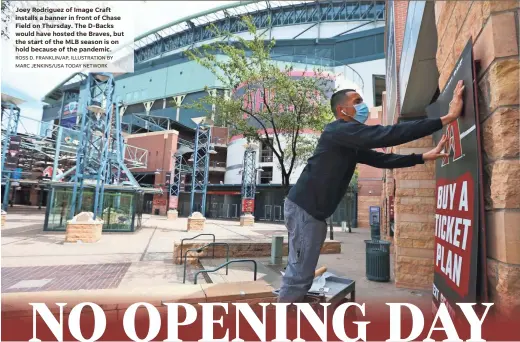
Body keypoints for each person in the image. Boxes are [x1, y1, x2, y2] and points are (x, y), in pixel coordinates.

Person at [278, 80, 465, 303]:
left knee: (302, 271)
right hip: (305, 210)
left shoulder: (349, 142)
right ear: (342, 110)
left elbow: (382, 158)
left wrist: (422, 157)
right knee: (298, 276)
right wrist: (446, 119)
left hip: (312, 213)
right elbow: (387, 134)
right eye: (356, 102)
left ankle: (292, 312)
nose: (362, 106)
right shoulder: (336, 131)